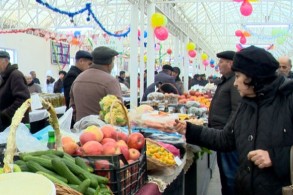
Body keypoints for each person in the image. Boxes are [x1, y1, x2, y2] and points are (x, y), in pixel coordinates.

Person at [173, 46, 293, 195]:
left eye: (238, 76)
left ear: (253, 77)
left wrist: (275, 157)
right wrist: (190, 130)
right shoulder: (246, 103)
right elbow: (225, 139)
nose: (235, 83)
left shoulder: (288, 100)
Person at [209, 50, 241, 195]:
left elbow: (236, 110)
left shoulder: (235, 82)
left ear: (231, 64)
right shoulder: (226, 80)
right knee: (225, 173)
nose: (219, 64)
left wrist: (227, 132)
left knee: (230, 176)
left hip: (227, 137)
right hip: (221, 135)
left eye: (222, 61)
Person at [70, 46, 122, 122]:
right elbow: (118, 112)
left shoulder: (78, 79)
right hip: (103, 131)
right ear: (109, 63)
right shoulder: (110, 81)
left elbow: (72, 108)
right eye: (113, 62)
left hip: (80, 129)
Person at [0, 51, 30, 131]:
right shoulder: (4, 76)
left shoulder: (15, 75)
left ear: (6, 61)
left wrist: (4, 114)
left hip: (15, 124)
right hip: (7, 123)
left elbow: (23, 100)